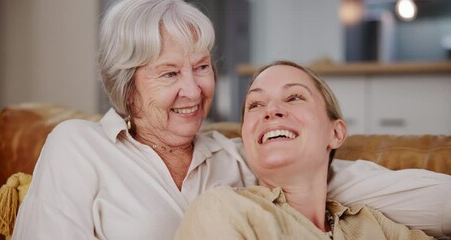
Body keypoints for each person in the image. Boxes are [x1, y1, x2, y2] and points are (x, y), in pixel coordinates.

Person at [12, 0, 450, 239]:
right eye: (169, 73)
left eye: (201, 67)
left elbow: (408, 196)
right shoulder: (79, 146)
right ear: (128, 88)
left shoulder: (244, 158)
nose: (194, 88)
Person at [174, 61, 446, 239]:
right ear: (246, 138)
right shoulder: (224, 209)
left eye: (294, 97)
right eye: (255, 104)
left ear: (336, 132)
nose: (272, 110)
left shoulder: (371, 225)